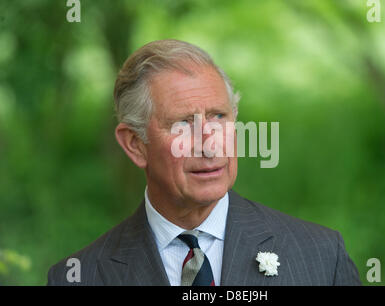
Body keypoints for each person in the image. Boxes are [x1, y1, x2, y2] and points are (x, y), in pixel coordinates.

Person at [47, 39, 361, 286]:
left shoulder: (320, 258)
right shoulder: (78, 278)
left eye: (219, 117)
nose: (210, 144)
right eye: (183, 123)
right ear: (135, 144)